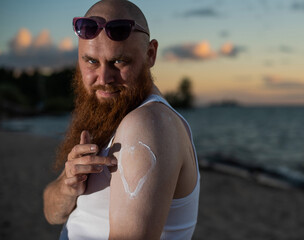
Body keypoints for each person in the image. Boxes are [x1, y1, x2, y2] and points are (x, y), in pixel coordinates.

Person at [43, 0, 200, 239]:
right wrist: (69, 184)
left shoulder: (148, 125)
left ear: (150, 54)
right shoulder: (106, 115)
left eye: (119, 61)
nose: (104, 78)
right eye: (91, 61)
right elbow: (51, 214)